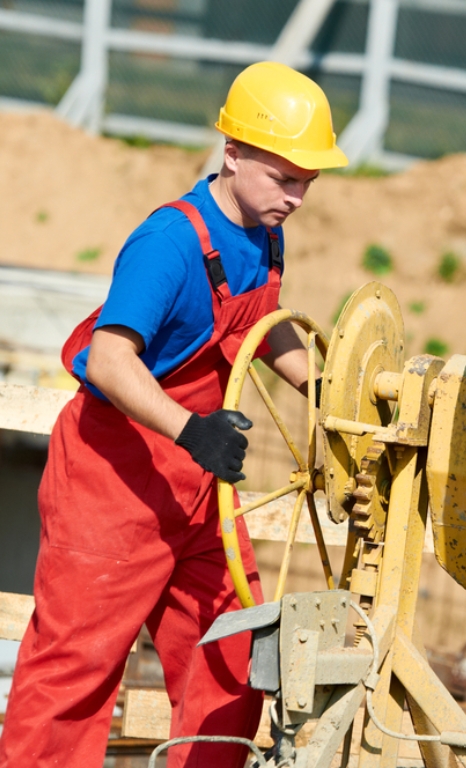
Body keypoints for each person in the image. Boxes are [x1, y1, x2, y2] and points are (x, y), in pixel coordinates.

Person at [0, 61, 347, 768]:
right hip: (114, 484)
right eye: (286, 178)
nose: (298, 198)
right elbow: (108, 360)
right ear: (234, 153)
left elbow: (262, 319)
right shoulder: (169, 244)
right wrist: (194, 430)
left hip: (198, 490)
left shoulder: (262, 231)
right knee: (76, 672)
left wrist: (323, 385)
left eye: (307, 182)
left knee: (232, 656)